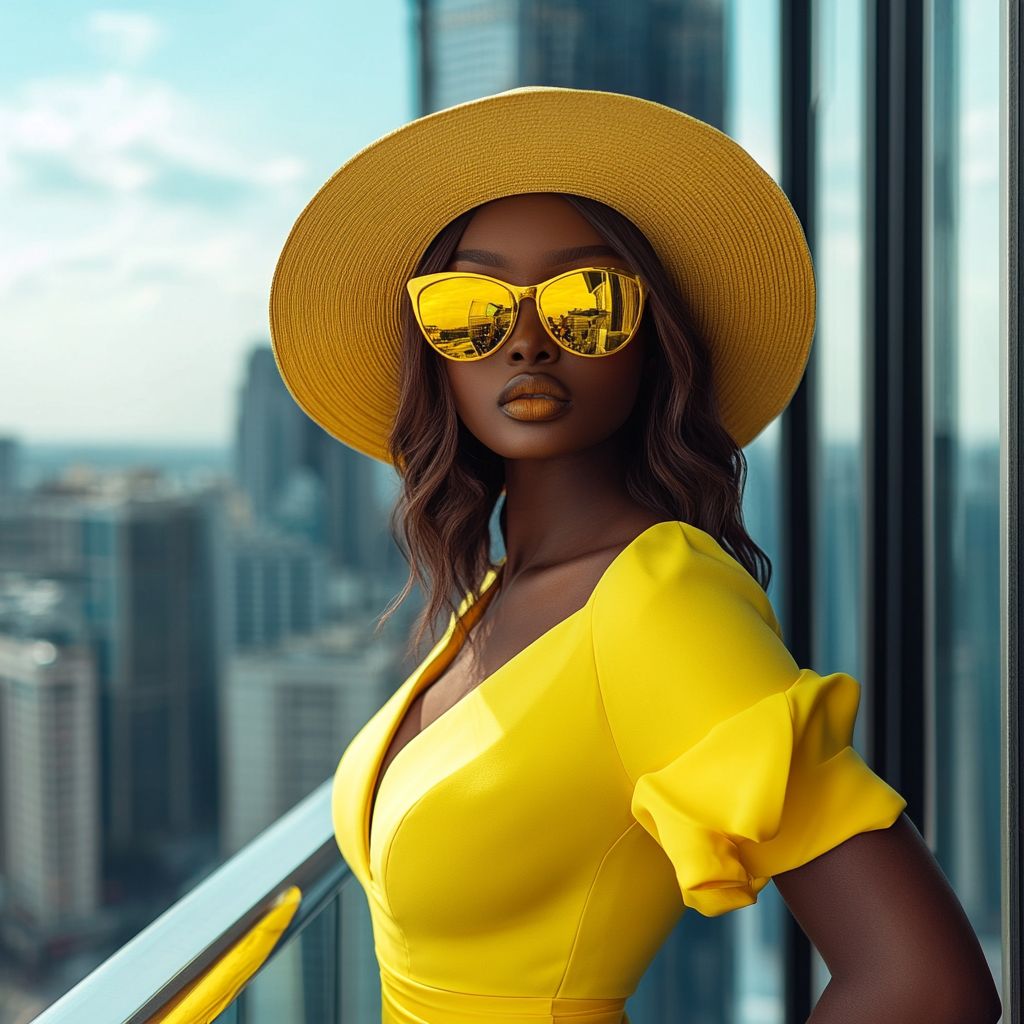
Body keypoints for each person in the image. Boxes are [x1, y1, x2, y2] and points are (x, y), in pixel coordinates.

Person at [270, 88, 999, 1024]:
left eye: (588, 301)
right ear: (434, 353)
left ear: (655, 341)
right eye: (469, 308)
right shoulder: (495, 593)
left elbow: (928, 988)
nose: (526, 341)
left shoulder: (663, 600)